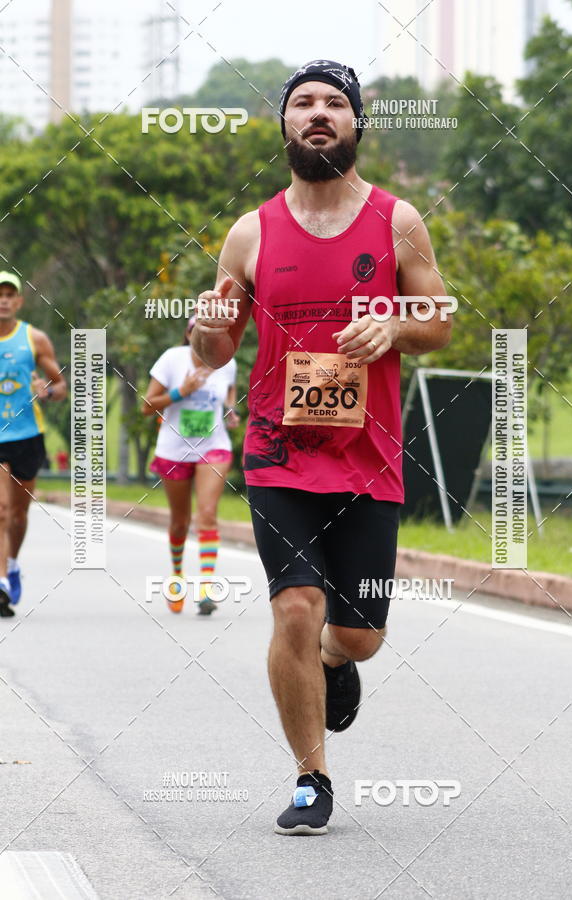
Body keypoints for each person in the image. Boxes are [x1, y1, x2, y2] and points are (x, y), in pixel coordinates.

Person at [192, 59, 453, 834]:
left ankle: (336, 663)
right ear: (284, 124)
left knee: (361, 636)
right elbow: (213, 350)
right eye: (302, 101)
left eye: (334, 102)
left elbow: (440, 318)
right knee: (297, 606)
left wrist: (395, 325)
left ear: (355, 123)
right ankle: (312, 777)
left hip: (368, 456)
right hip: (277, 453)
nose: (317, 112)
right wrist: (206, 330)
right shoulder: (251, 231)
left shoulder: (398, 220)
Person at [141, 316, 240, 615]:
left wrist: (230, 410)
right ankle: (177, 576)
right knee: (180, 522)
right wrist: (180, 392)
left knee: (207, 515)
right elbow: (147, 406)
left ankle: (206, 588)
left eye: (210, 332)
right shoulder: (172, 359)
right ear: (188, 335)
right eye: (196, 331)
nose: (203, 337)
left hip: (213, 447)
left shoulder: (227, 363)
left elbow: (230, 391)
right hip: (174, 451)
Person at [0, 271, 67, 617]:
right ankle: (0, 581)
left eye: (9, 295)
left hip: (27, 435)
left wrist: (48, 392)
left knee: (18, 515)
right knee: (1, 509)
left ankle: (11, 563)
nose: (3, 301)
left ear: (19, 302)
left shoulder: (34, 338)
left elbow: (60, 386)